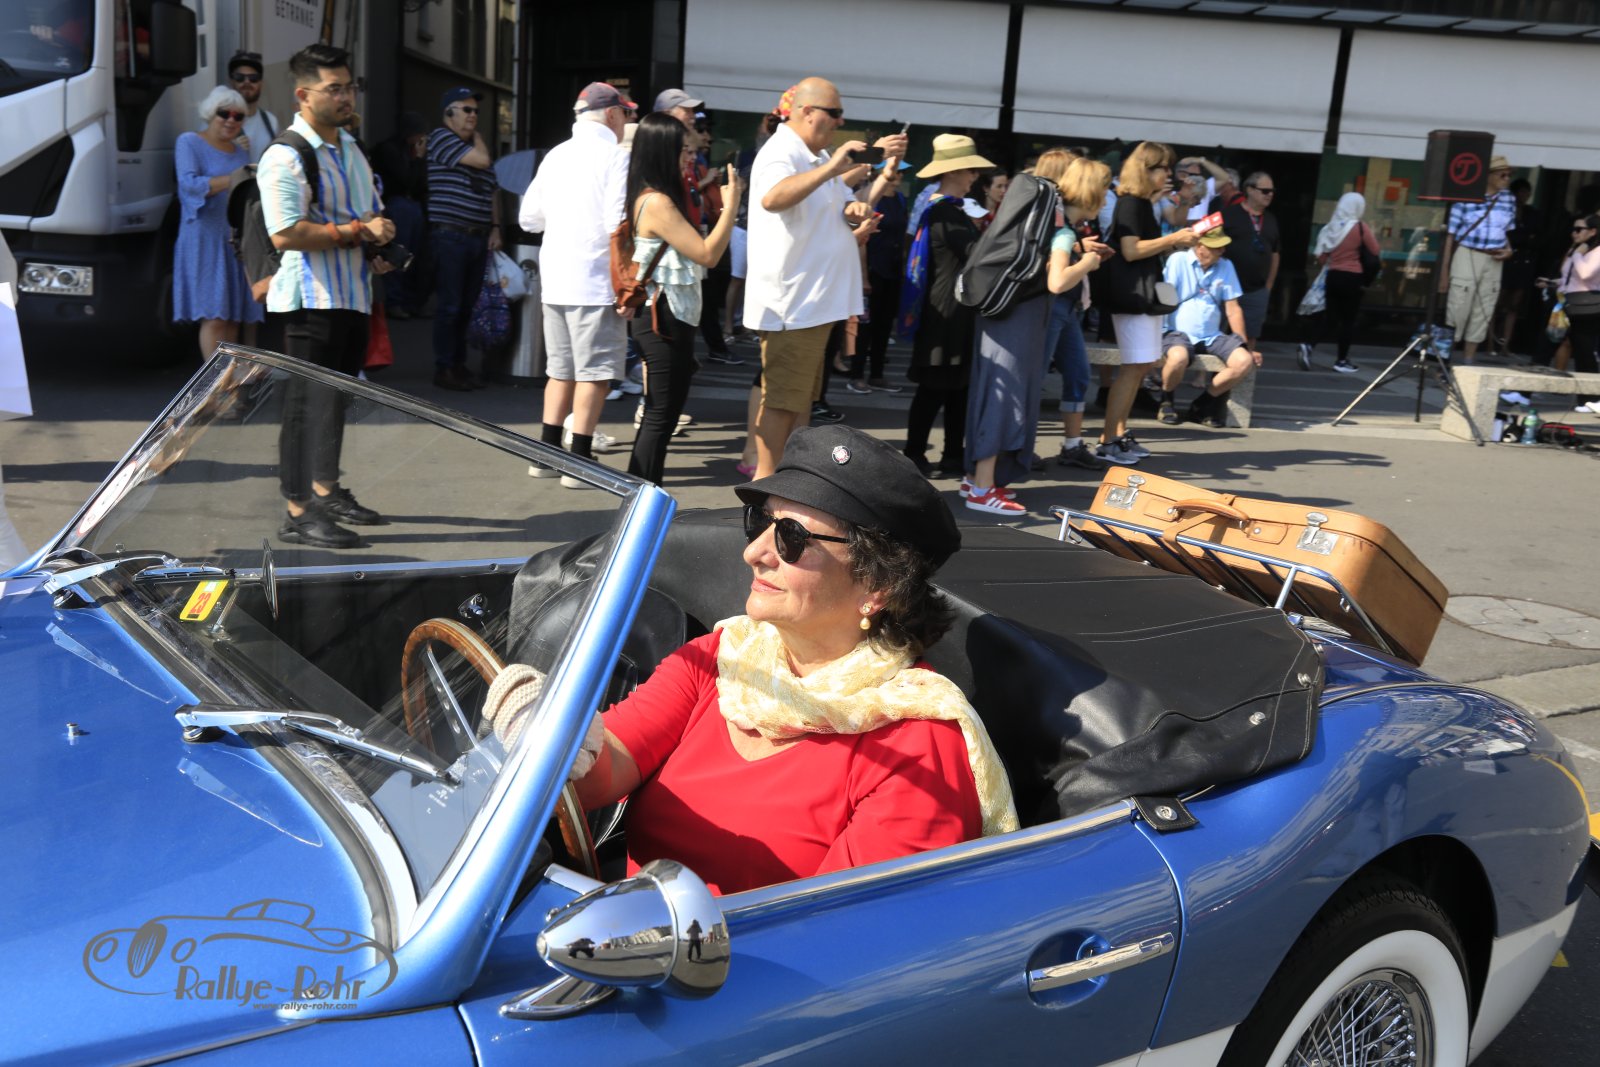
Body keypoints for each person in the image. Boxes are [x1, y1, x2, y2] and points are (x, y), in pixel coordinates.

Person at [486, 425, 1018, 896]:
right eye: (759, 522)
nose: (755, 552)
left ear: (876, 584)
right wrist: (559, 737)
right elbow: (600, 777)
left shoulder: (916, 747)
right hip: (622, 932)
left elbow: (845, 935)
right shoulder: (724, 657)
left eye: (791, 538)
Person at [259, 43, 396, 549]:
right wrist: (358, 231)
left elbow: (368, 212)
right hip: (310, 299)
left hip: (352, 292)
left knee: (334, 402)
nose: (345, 96)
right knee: (303, 407)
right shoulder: (286, 155)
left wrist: (379, 241)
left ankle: (326, 491)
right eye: (333, 88)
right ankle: (298, 512)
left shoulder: (351, 147)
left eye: (349, 86)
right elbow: (285, 233)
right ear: (303, 95)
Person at [743, 77, 907, 477]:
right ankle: (765, 483)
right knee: (783, 401)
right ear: (806, 112)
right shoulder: (783, 152)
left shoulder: (814, 157)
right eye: (834, 112)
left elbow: (841, 206)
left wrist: (855, 209)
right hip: (794, 303)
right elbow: (772, 198)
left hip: (814, 302)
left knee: (799, 402)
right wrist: (835, 167)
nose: (840, 121)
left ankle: (786, 482)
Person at [519, 82, 635, 488]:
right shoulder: (615, 156)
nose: (626, 121)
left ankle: (545, 456)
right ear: (612, 114)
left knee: (560, 372)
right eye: (625, 114)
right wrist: (629, 282)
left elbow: (528, 218)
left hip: (556, 279)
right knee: (594, 374)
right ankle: (579, 462)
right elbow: (617, 222)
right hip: (595, 280)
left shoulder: (556, 155)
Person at [624, 113, 741, 485]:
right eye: (683, 150)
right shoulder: (657, 201)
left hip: (667, 316)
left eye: (691, 150)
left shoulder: (656, 195)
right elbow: (708, 254)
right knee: (660, 417)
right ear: (663, 151)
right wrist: (731, 206)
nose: (690, 157)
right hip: (662, 318)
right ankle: (642, 495)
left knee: (663, 415)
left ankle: (643, 494)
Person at [964, 149, 1069, 515]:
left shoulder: (1028, 195)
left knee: (992, 391)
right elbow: (1053, 277)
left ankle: (977, 479)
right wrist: (1086, 259)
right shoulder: (1049, 202)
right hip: (1018, 311)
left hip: (1001, 307)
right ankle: (982, 488)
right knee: (1004, 396)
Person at [1098, 141, 1198, 465]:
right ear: (1146, 169)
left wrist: (1171, 238)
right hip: (1134, 295)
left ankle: (1117, 434)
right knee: (1133, 367)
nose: (1168, 173)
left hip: (1142, 294)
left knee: (1140, 366)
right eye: (1162, 167)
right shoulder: (1131, 203)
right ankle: (1109, 439)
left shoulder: (1140, 202)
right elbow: (1130, 250)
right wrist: (1173, 239)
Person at [901, 134, 991, 479]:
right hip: (945, 311)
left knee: (958, 388)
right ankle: (914, 454)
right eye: (970, 170)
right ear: (954, 171)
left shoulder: (950, 208)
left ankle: (953, 453)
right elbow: (974, 254)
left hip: (956, 309)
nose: (974, 177)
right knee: (934, 388)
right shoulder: (943, 210)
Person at [172, 85, 263, 362]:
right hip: (203, 240)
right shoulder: (189, 142)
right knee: (214, 317)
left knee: (232, 317)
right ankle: (213, 382)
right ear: (211, 113)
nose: (231, 120)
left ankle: (227, 382)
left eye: (238, 116)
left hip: (234, 241)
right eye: (225, 113)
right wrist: (237, 177)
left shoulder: (240, 153)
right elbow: (189, 185)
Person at [427, 87, 502, 391]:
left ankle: (458, 365)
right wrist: (479, 138)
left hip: (477, 236)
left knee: (466, 307)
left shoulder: (472, 148)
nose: (473, 116)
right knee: (450, 306)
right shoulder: (441, 138)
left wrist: (496, 227)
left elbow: (493, 189)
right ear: (448, 113)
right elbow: (483, 161)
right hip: (451, 235)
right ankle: (445, 367)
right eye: (466, 110)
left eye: (476, 112)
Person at [1045, 158, 1115, 472]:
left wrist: (1081, 252)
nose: (1106, 199)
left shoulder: (1064, 222)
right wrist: (1086, 261)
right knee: (1037, 377)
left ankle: (1072, 446)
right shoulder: (1058, 220)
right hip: (1055, 304)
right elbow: (1056, 280)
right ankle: (1016, 449)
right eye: (1104, 190)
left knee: (1078, 374)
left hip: (1067, 306)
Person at [1159, 231, 1260, 427]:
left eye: (1223, 246)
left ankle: (1203, 403)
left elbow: (1233, 309)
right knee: (1178, 357)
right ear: (1199, 247)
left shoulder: (1226, 265)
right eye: (1216, 247)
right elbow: (1164, 296)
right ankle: (1166, 401)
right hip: (1176, 331)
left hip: (1211, 335)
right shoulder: (1178, 260)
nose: (1222, 251)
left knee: (1243, 361)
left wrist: (1243, 344)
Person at [1440, 156, 1517, 365]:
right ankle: (1445, 360)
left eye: (1509, 175)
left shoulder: (1509, 199)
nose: (1507, 179)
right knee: (1458, 306)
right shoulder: (1465, 198)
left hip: (1494, 257)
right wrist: (1444, 272)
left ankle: (1468, 361)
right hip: (1468, 252)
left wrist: (1509, 250)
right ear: (1488, 176)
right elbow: (1450, 236)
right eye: (1502, 174)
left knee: (1485, 307)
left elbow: (1505, 231)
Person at [1297, 192, 1379, 374]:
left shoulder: (1331, 228)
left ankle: (1309, 345)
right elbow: (1375, 249)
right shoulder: (1359, 227)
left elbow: (1322, 257)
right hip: (1352, 277)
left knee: (1331, 318)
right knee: (1348, 321)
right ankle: (1341, 360)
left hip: (1333, 276)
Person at [852, 161, 909, 392]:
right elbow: (862, 241)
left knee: (885, 325)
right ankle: (856, 374)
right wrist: (864, 276)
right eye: (895, 171)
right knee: (864, 326)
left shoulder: (901, 199)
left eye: (901, 172)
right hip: (873, 269)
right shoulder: (871, 200)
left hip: (893, 271)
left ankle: (877, 374)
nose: (898, 176)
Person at [372, 112, 430, 319]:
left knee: (415, 255)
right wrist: (418, 159)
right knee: (399, 253)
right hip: (396, 204)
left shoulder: (410, 151)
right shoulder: (390, 150)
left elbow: (421, 184)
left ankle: (410, 301)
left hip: (413, 206)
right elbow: (405, 180)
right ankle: (395, 301)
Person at [1219, 172, 1280, 352]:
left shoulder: (1271, 219)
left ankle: (1245, 369)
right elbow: (1209, 243)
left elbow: (1275, 253)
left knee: (1250, 336)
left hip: (1256, 290)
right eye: (1265, 191)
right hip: (1225, 287)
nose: (1270, 194)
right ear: (1250, 190)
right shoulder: (1228, 215)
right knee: (1217, 334)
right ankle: (1208, 370)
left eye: (1272, 191)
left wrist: (1268, 286)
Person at [1556, 214, 1600, 414]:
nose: (1574, 233)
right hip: (1567, 303)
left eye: (1579, 229)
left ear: (1592, 231)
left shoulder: (1595, 251)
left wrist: (1577, 255)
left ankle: (1592, 398)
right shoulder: (1577, 250)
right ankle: (1523, 393)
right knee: (1549, 344)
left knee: (1584, 352)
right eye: (1573, 229)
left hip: (1586, 307)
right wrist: (1553, 282)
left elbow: (1585, 274)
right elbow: (1567, 276)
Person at [226, 51, 279, 166]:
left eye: (253, 78)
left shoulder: (271, 121)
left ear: (261, 83)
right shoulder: (217, 120)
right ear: (231, 81)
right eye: (240, 78)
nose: (247, 82)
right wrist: (229, 148)